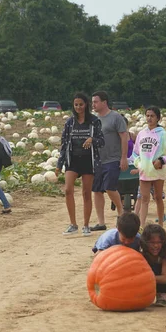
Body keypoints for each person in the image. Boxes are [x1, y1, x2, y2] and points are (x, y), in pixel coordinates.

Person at [55, 93, 105, 236]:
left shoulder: (94, 121)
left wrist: (92, 140)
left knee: (86, 193)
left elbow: (101, 141)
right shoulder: (69, 122)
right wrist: (59, 164)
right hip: (73, 160)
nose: (78, 107)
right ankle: (73, 224)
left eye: (81, 104)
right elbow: (64, 144)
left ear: (86, 105)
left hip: (88, 161)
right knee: (68, 190)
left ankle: (86, 225)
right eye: (76, 105)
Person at [132, 106, 166, 228]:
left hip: (157, 172)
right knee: (144, 198)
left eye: (152, 116)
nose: (149, 118)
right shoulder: (141, 134)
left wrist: (162, 160)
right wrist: (139, 164)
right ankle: (141, 226)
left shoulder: (162, 135)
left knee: (158, 198)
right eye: (147, 115)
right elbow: (135, 153)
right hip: (145, 172)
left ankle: (161, 225)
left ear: (158, 118)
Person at [91, 91, 129, 231]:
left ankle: (121, 213)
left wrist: (123, 157)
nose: (93, 104)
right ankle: (101, 222)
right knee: (97, 190)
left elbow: (124, 137)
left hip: (112, 159)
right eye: (92, 102)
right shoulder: (93, 120)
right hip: (97, 160)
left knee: (109, 187)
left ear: (104, 102)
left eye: (95, 102)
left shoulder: (115, 117)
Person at [141, 224, 166, 307]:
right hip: (144, 285)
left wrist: (144, 278)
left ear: (163, 242)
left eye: (159, 242)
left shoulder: (164, 255)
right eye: (152, 243)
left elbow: (164, 278)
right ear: (145, 242)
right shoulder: (141, 255)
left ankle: (161, 294)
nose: (156, 245)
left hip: (154, 281)